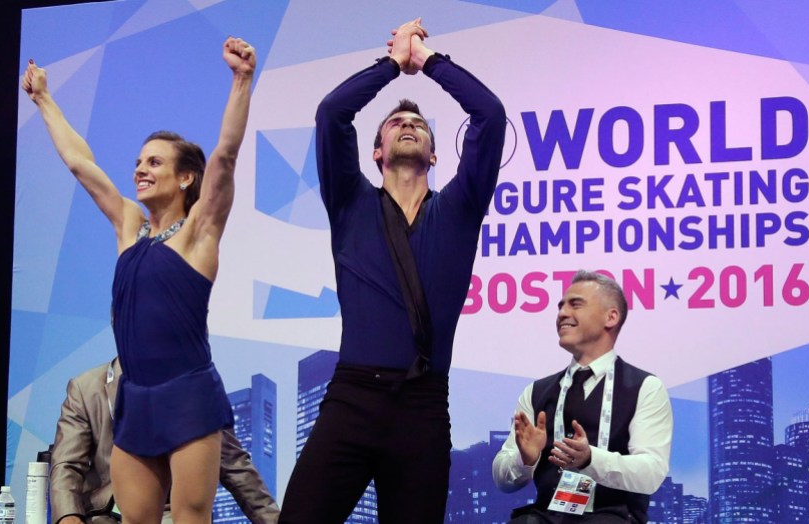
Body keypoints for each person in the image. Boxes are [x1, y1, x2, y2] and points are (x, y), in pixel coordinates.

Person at [278, 18, 506, 524]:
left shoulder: (460, 208)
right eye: (395, 125)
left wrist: (426, 62)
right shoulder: (350, 201)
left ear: (435, 154)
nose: (409, 126)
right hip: (352, 398)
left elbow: (489, 114)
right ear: (376, 152)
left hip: (422, 408)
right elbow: (333, 113)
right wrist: (391, 66)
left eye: (420, 126)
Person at [21, 36, 256, 524]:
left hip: (188, 395)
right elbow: (81, 164)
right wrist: (44, 99)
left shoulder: (198, 233)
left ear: (187, 177)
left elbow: (227, 156)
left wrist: (241, 79)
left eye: (154, 162)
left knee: (191, 520)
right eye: (138, 162)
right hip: (136, 400)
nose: (139, 170)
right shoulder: (129, 226)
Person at [492, 271, 673, 523]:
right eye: (561, 306)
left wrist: (590, 459)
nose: (562, 313)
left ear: (611, 317)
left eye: (575, 304)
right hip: (547, 516)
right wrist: (525, 460)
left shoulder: (645, 388)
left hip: (613, 516)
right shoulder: (536, 392)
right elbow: (503, 480)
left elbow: (651, 473)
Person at [49, 359, 281, 524]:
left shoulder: (199, 388)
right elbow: (66, 465)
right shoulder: (85, 388)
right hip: (104, 514)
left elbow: (234, 464)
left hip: (172, 512)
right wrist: (69, 517)